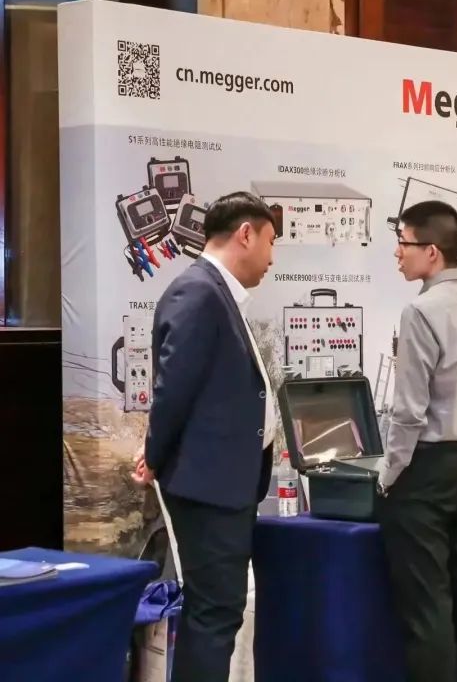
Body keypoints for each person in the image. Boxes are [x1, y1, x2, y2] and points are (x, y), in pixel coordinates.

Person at [131, 191, 277, 682]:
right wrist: (154, 454)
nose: (272, 258)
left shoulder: (218, 295)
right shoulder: (198, 293)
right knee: (214, 615)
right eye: (271, 242)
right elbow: (173, 388)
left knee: (219, 612)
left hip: (223, 484)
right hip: (207, 486)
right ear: (246, 234)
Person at [376, 200, 457, 682]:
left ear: (431, 251)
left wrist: (388, 475)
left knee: (427, 608)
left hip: (423, 472)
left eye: (403, 243)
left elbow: (408, 412)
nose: (397, 252)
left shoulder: (420, 312)